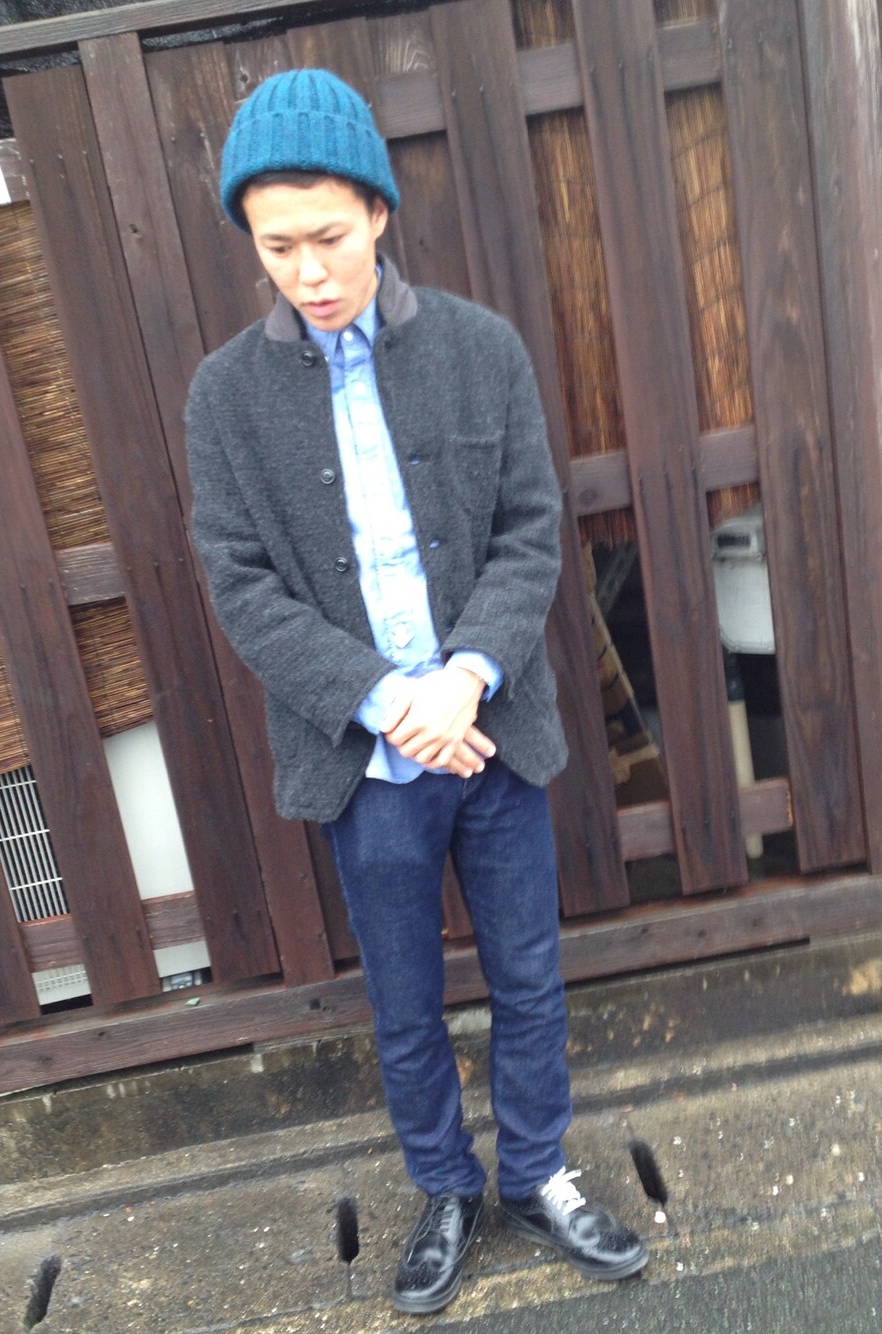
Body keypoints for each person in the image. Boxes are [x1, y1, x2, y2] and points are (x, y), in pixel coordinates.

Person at [185, 68, 648, 1316]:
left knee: (528, 973)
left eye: (329, 236)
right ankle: (444, 1185)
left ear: (379, 212)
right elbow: (241, 586)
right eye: (277, 247)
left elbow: (529, 531)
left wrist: (464, 678)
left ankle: (537, 1171)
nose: (308, 271)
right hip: (368, 759)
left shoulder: (479, 349)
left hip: (491, 733)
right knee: (402, 998)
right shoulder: (225, 396)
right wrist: (387, 700)